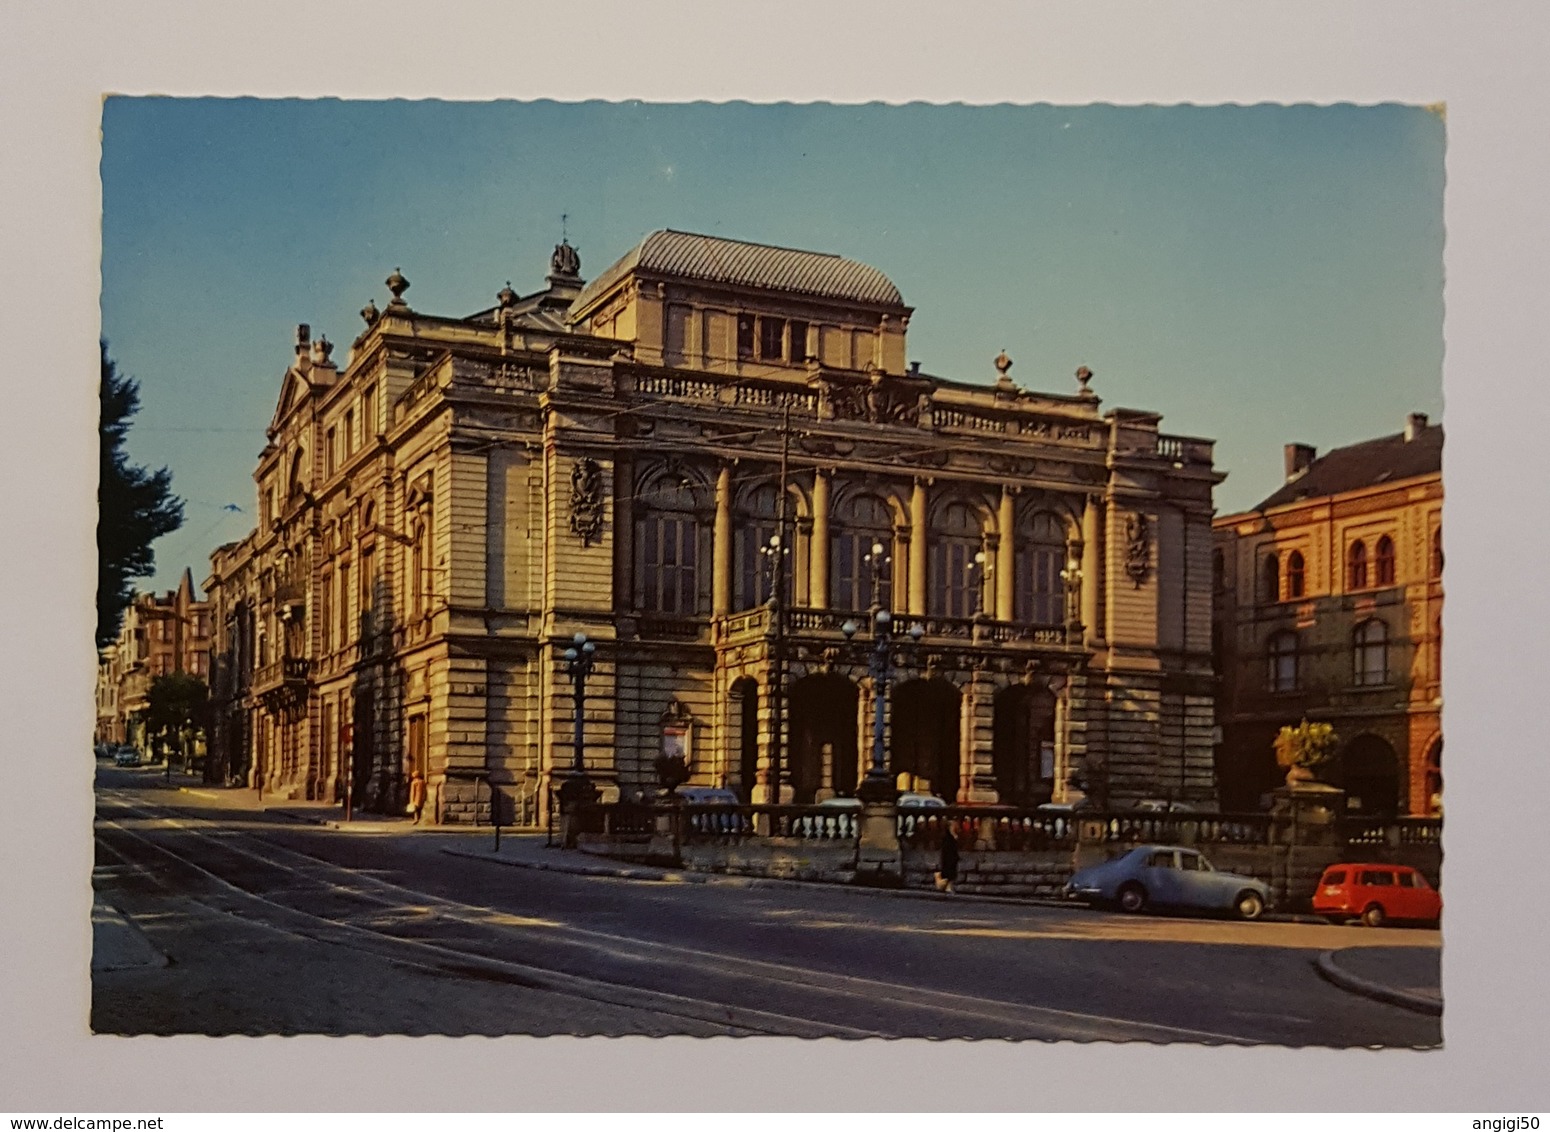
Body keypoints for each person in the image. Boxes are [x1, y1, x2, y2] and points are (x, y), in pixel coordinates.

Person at [935, 824, 959, 893]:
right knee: (949, 874)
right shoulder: (948, 838)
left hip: (950, 858)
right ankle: (946, 887)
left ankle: (947, 887)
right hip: (948, 858)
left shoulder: (950, 837)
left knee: (950, 873)